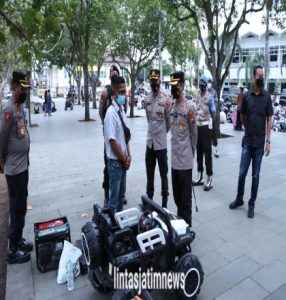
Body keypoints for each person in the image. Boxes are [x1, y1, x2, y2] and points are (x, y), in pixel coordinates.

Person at [229, 65, 273, 218]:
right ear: (253, 77)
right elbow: (242, 115)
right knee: (242, 173)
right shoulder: (247, 96)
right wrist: (247, 126)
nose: (261, 77)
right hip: (247, 142)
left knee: (255, 175)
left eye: (263, 75)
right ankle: (239, 199)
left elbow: (269, 119)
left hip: (260, 144)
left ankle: (251, 204)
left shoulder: (267, 97)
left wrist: (268, 141)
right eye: (259, 75)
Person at [0, 71, 33, 264]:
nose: (24, 92)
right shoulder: (9, 109)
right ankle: (12, 251)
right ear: (14, 88)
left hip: (23, 166)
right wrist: (1, 160)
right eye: (22, 89)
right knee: (16, 207)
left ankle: (17, 239)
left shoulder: (19, 107)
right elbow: (2, 136)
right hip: (14, 169)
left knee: (21, 207)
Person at [169, 71, 197, 227]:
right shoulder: (172, 106)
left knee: (185, 200)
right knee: (177, 197)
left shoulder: (190, 107)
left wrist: (191, 154)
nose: (174, 88)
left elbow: (194, 135)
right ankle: (180, 224)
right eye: (172, 85)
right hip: (174, 161)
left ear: (182, 85)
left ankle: (187, 228)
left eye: (176, 85)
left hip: (185, 162)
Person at [99, 65, 126, 207]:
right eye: (112, 73)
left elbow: (126, 132)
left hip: (119, 131)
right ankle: (107, 195)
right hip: (110, 131)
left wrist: (127, 155)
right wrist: (107, 126)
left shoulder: (121, 107)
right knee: (108, 166)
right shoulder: (105, 93)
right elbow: (101, 112)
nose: (124, 94)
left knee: (120, 195)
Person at [104, 75, 131, 213]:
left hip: (123, 161)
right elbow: (112, 142)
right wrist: (124, 158)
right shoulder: (111, 113)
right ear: (114, 92)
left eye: (125, 91)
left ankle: (120, 227)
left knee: (121, 198)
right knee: (113, 202)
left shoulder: (121, 110)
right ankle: (113, 228)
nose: (124, 95)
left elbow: (126, 135)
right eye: (121, 92)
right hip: (115, 164)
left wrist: (129, 155)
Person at [145, 69, 171, 208]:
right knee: (150, 174)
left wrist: (161, 133)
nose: (154, 82)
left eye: (156, 80)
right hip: (150, 144)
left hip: (161, 145)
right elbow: (148, 119)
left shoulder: (166, 99)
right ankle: (149, 200)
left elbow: (169, 122)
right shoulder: (147, 99)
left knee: (163, 175)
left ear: (160, 80)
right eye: (152, 80)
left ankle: (164, 203)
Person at [193, 75, 216, 191]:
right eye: (200, 82)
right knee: (199, 153)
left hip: (206, 127)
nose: (201, 84)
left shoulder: (210, 98)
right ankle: (200, 176)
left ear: (206, 85)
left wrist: (210, 123)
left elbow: (213, 111)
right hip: (197, 127)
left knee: (207, 154)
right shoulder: (197, 95)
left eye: (203, 82)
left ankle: (209, 178)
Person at [207, 78, 219, 158]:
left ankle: (215, 149)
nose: (209, 84)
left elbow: (217, 102)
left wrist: (213, 103)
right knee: (206, 132)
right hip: (205, 116)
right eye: (208, 82)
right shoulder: (203, 91)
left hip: (212, 116)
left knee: (213, 132)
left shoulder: (214, 92)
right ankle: (207, 149)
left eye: (210, 82)